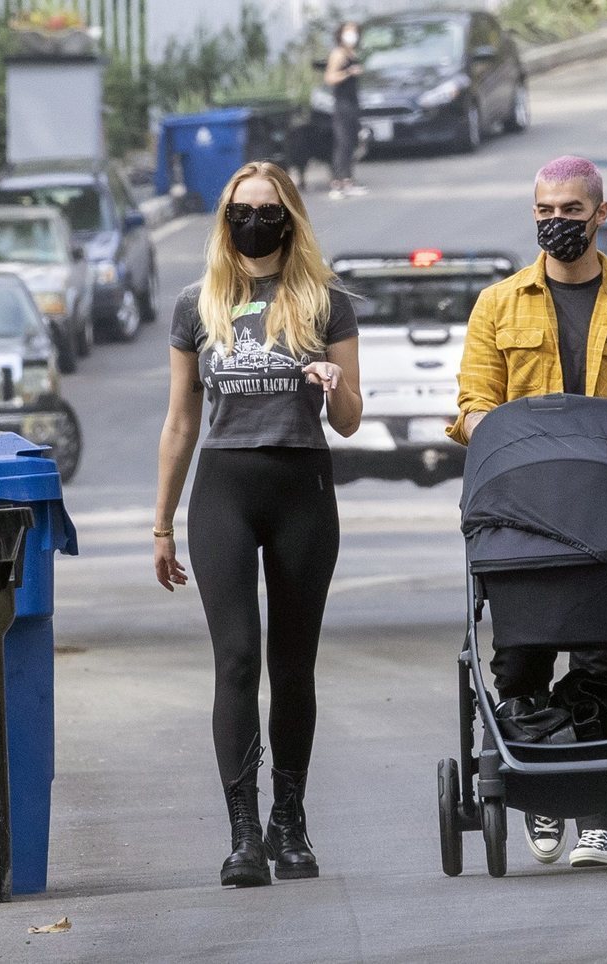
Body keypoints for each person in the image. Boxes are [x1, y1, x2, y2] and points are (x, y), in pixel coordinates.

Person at [448, 155, 607, 870]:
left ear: (600, 214)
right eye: (545, 211)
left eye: (571, 211)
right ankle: (538, 790)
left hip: (606, 511)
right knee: (519, 657)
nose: (557, 223)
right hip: (519, 511)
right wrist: (503, 447)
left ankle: (599, 814)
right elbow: (474, 407)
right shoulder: (498, 305)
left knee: (601, 656)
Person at [153, 160, 362, 888]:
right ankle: (243, 832)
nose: (254, 221)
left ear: (290, 217)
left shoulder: (323, 302)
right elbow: (180, 422)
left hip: (301, 485)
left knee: (292, 664)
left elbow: (350, 418)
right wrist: (161, 525)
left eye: (268, 209)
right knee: (237, 659)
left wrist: (333, 386)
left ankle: (290, 821)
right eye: (242, 210)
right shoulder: (198, 303)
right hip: (225, 490)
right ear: (225, 219)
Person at [324, 21, 368, 200]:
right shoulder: (338, 54)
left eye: (354, 32)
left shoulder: (352, 53)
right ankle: (339, 181)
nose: (352, 35)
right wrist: (349, 72)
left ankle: (348, 179)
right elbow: (330, 77)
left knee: (351, 141)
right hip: (342, 104)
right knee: (343, 142)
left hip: (352, 102)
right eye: (348, 32)